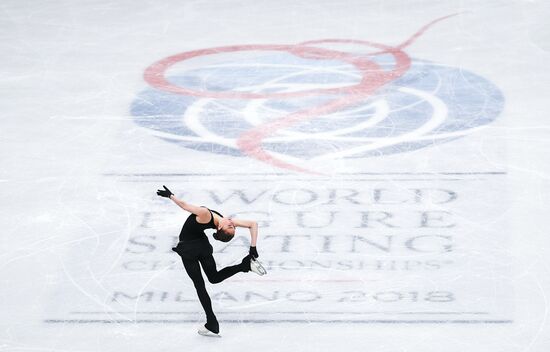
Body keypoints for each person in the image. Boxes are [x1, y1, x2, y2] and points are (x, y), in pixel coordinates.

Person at [156, 185, 266, 337]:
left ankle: (212, 322)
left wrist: (170, 195)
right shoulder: (222, 221)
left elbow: (184, 206)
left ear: (220, 228)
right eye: (233, 226)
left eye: (230, 226)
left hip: (189, 249)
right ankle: (244, 266)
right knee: (213, 278)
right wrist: (252, 247)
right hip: (202, 246)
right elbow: (252, 224)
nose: (232, 223)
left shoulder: (205, 214)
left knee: (199, 285)